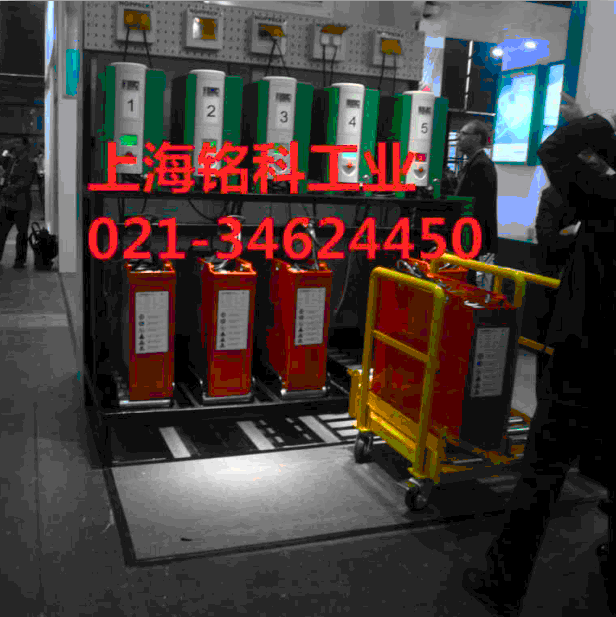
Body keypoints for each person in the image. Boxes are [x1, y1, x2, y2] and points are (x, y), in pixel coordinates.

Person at [461, 93, 615, 616]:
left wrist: (595, 121)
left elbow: (555, 149)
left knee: (541, 474)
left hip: (583, 355)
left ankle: (502, 584)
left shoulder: (607, 193)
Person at [454, 120, 498, 290]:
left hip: (473, 236)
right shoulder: (473, 163)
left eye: (464, 134)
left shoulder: (482, 165)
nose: (459, 137)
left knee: (469, 283)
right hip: (468, 234)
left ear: (477, 137)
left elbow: (479, 206)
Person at [0, 138, 38, 268]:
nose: (15, 145)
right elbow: (5, 176)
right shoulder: (12, 161)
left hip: (21, 204)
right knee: (1, 231)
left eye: (18, 143)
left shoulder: (31, 164)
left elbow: (26, 182)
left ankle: (20, 261)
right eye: (15, 143)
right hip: (7, 203)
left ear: (25, 146)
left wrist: (9, 189)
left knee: (21, 234)